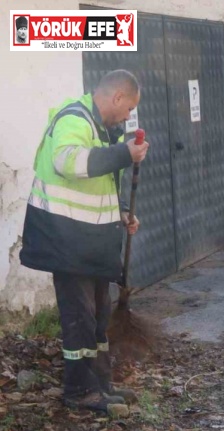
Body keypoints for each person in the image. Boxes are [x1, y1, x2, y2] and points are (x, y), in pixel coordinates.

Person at [20, 70, 150, 412]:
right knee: (79, 318)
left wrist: (121, 211)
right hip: (65, 241)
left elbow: (100, 183)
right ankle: (79, 392)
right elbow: (68, 161)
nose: (127, 117)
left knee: (98, 315)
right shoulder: (73, 118)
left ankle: (101, 386)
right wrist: (124, 153)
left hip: (87, 243)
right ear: (117, 98)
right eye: (127, 109)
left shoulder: (104, 129)